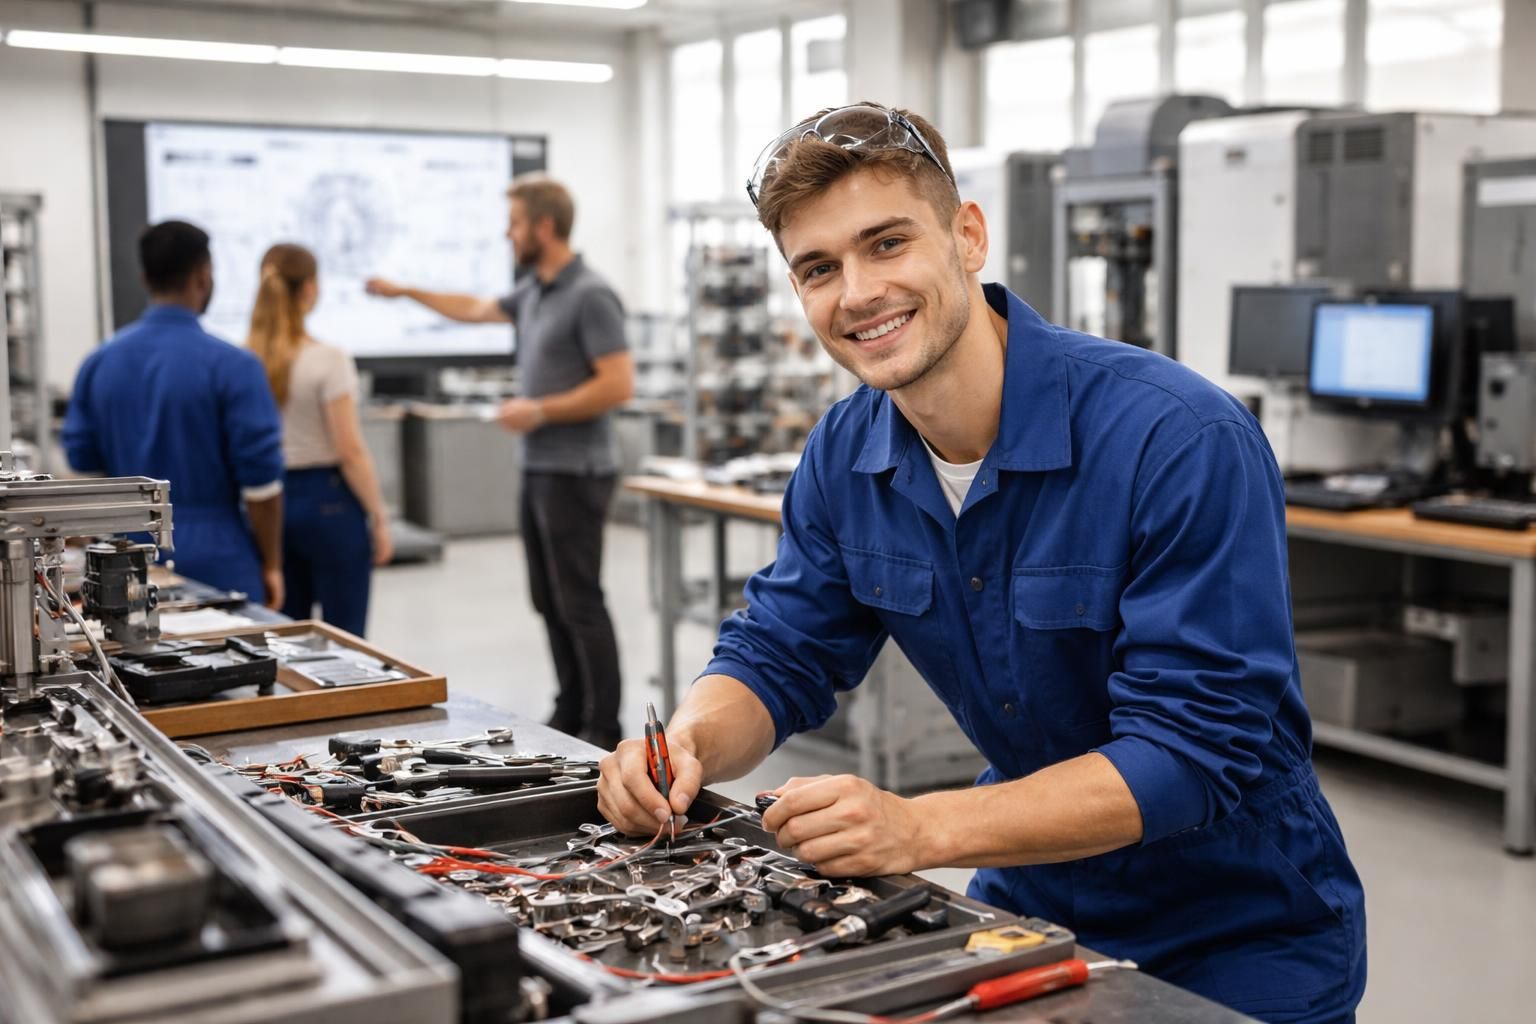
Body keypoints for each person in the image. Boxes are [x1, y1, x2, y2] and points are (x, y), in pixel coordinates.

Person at [596, 104, 1367, 1023]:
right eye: (818, 268)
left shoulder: (1177, 439)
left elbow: (1192, 752)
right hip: (1030, 897)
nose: (857, 292)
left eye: (887, 243)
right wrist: (685, 744)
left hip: (1239, 930)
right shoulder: (846, 453)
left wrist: (919, 827)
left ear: (968, 236)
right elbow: (779, 651)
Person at [365, 175, 634, 748]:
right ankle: (571, 704)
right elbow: (472, 308)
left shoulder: (590, 294)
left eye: (513, 222)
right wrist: (407, 292)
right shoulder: (535, 291)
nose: (506, 233)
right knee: (548, 597)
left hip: (577, 469)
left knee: (579, 600)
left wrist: (539, 410)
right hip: (540, 466)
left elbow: (617, 384)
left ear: (543, 225)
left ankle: (603, 725)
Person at [62, 220, 285, 607]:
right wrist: (272, 564)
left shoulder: (98, 363)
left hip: (123, 556)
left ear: (146, 277)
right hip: (220, 556)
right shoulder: (234, 366)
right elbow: (262, 485)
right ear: (203, 275)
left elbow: (83, 464)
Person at [246, 243, 392, 636]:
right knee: (346, 637)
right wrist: (379, 515)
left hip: (266, 505)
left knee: (282, 635)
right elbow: (350, 451)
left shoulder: (243, 360)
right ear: (310, 288)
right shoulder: (328, 359)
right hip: (330, 505)